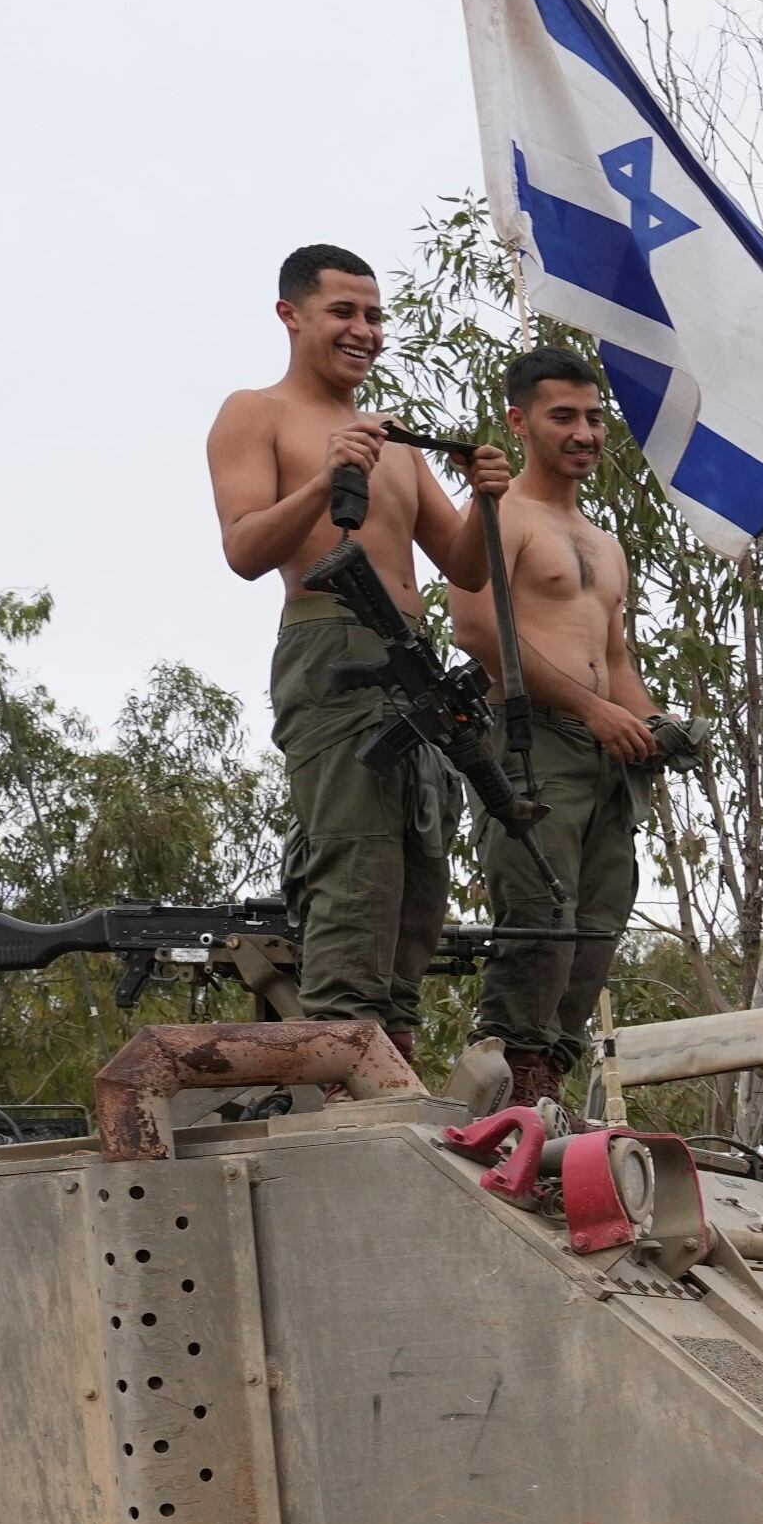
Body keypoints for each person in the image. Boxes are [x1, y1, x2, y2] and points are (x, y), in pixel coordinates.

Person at [204, 245, 508, 1055]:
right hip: (331, 649)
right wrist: (324, 476)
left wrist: (486, 498)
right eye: (344, 312)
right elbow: (243, 549)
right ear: (291, 315)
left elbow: (466, 564)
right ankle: (338, 1066)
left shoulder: (397, 442)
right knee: (354, 866)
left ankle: (391, 1057)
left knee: (418, 865)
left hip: (413, 659)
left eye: (374, 316)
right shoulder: (256, 412)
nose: (364, 331)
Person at [445, 345, 660, 1114]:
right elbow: (476, 630)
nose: (584, 432)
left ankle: (547, 1088)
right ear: (519, 421)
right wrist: (590, 709)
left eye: (595, 418)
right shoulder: (502, 515)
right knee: (539, 917)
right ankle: (505, 1091)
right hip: (532, 739)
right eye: (562, 416)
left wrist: (654, 723)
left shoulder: (605, 542)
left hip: (604, 759)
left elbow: (616, 658)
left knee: (596, 929)